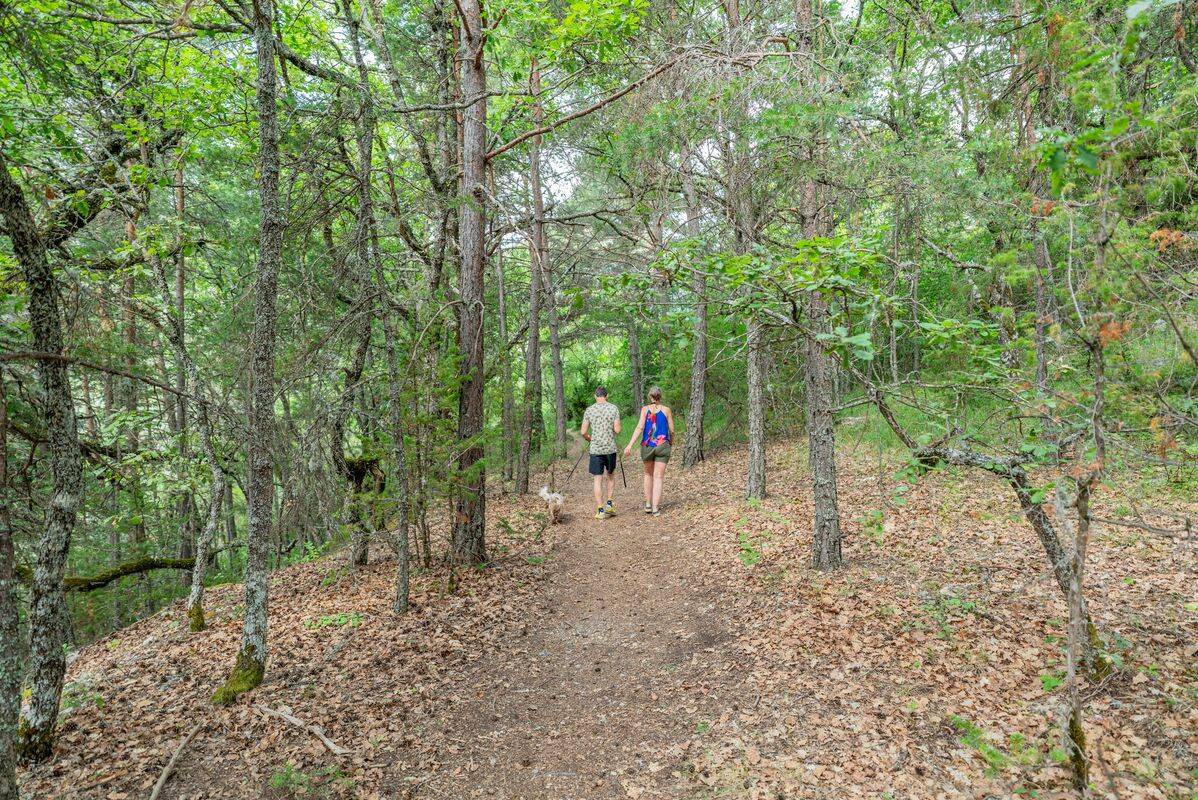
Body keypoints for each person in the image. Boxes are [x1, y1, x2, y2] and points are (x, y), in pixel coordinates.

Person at [623, 386, 673, 516]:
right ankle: (656, 508)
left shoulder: (645, 410)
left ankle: (648, 504)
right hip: (663, 445)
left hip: (647, 446)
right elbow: (672, 430)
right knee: (659, 477)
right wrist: (671, 441)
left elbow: (639, 428)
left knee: (648, 475)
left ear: (650, 397)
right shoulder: (667, 410)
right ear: (660, 396)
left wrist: (629, 445)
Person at [580, 386, 621, 519]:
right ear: (606, 395)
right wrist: (611, 431)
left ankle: (600, 510)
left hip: (596, 449)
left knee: (597, 479)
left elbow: (583, 432)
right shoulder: (613, 408)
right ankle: (609, 504)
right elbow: (618, 430)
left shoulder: (589, 410)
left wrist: (589, 439)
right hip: (610, 448)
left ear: (595, 396)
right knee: (610, 475)